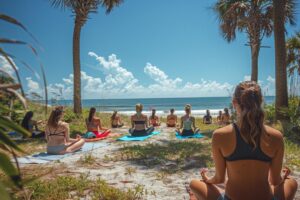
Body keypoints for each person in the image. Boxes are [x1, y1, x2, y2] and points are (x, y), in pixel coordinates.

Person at [190, 81, 298, 200]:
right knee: (292, 182)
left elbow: (219, 179)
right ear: (261, 101)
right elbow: (275, 181)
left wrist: (207, 178)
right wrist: (284, 176)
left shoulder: (220, 135)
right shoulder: (276, 136)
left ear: (234, 103)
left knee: (194, 184)